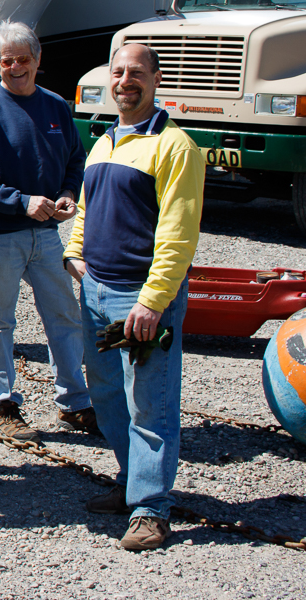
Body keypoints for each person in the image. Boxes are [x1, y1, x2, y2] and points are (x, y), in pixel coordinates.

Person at [64, 43, 203, 551]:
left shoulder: (176, 147)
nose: (126, 81)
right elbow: (86, 208)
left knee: (151, 403)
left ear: (156, 79)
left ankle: (152, 509)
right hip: (97, 292)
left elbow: (178, 233)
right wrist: (74, 256)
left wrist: (154, 300)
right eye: (118, 72)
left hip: (140, 299)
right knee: (107, 395)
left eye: (137, 73)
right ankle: (132, 484)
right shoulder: (104, 142)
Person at [0, 20, 98, 442]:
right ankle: (2, 403)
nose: (15, 67)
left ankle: (74, 402)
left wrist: (69, 193)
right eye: (7, 60)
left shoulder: (55, 107)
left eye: (23, 59)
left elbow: (75, 158)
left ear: (38, 60)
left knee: (65, 317)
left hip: (47, 234)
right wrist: (22, 202)